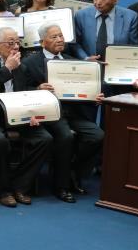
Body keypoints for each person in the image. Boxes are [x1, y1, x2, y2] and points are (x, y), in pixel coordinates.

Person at [21, 23, 106, 200]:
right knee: (66, 136)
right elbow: (21, 90)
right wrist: (38, 88)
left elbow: (84, 89)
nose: (60, 39)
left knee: (97, 135)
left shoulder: (72, 61)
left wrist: (94, 98)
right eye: (54, 37)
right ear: (42, 42)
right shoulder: (29, 62)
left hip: (73, 112)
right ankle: (61, 186)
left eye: (61, 36)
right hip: (48, 114)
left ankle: (73, 171)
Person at [0, 27, 52, 207]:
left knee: (44, 138)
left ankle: (19, 185)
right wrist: (7, 68)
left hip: (17, 114)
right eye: (11, 43)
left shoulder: (21, 64)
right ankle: (4, 191)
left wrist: (35, 99)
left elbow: (24, 91)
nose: (16, 47)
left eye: (18, 42)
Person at [72, 0, 138, 61]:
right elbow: (75, 44)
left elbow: (133, 47)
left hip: (118, 64)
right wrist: (85, 58)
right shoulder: (81, 15)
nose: (98, 2)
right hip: (90, 65)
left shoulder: (130, 17)